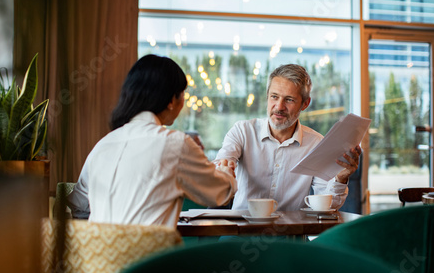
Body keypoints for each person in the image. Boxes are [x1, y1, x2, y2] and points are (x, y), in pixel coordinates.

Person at [68, 54, 237, 227]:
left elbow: (78, 205)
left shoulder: (103, 145)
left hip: (96, 252)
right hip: (151, 253)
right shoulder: (176, 144)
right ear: (172, 100)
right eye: (183, 94)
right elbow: (219, 192)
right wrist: (226, 172)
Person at [214, 63, 361, 212]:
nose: (279, 107)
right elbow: (222, 164)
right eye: (274, 97)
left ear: (305, 104)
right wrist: (224, 171)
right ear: (267, 97)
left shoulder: (316, 143)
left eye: (289, 99)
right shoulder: (243, 131)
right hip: (241, 231)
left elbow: (328, 204)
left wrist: (341, 179)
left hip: (291, 233)